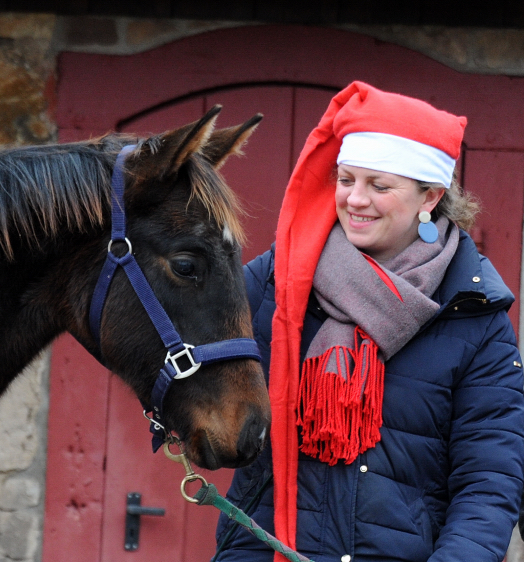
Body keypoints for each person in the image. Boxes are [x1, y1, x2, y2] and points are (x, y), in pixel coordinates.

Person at [214, 81, 524, 562]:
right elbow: (186, 354)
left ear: (430, 197)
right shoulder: (277, 280)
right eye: (345, 179)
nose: (355, 199)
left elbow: (490, 479)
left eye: (379, 186)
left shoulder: (474, 315)